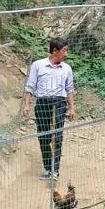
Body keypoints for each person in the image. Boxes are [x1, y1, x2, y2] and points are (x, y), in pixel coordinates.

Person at [23, 37, 76, 181]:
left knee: (57, 137)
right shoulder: (38, 65)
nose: (66, 54)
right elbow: (30, 86)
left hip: (59, 103)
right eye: (64, 50)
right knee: (44, 136)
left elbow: (69, 89)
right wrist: (27, 104)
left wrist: (71, 108)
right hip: (42, 103)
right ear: (55, 51)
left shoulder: (67, 68)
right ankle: (48, 168)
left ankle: (55, 170)